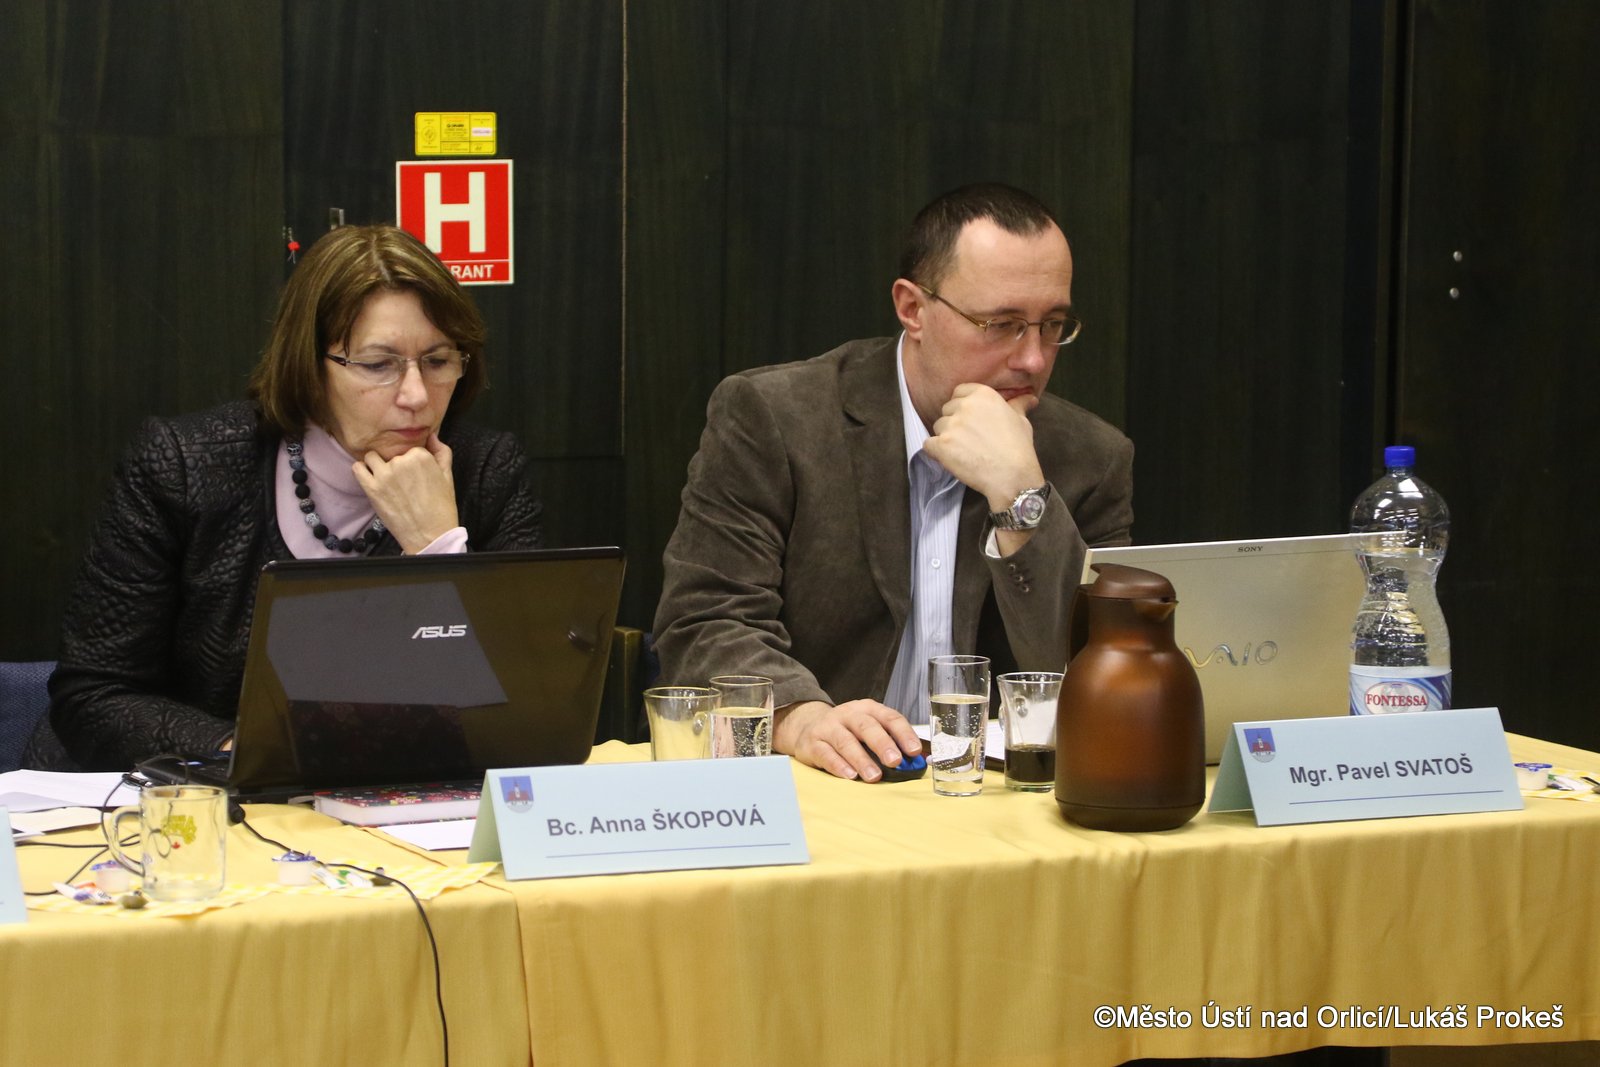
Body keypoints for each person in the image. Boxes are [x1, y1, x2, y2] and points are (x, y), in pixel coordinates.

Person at [653, 183, 1133, 782]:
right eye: (1002, 324)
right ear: (913, 308)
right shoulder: (776, 417)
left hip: (992, 794)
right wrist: (801, 718)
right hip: (826, 783)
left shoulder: (1089, 456)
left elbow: (1101, 672)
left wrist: (1021, 499)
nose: (1034, 359)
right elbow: (704, 621)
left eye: (1052, 325)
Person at [27, 224, 543, 771]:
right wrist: (256, 754)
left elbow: (531, 707)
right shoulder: (186, 465)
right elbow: (95, 693)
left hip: (393, 802)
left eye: (438, 361)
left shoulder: (485, 472)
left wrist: (437, 548)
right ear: (309, 365)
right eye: (378, 365)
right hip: (195, 796)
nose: (416, 396)